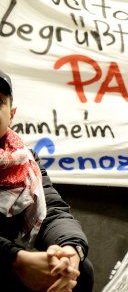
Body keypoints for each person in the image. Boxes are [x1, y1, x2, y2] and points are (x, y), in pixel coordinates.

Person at [0, 70, 94, 292]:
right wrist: (16, 260)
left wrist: (70, 249)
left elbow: (51, 212)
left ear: (11, 115)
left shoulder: (24, 161)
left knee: (77, 272)